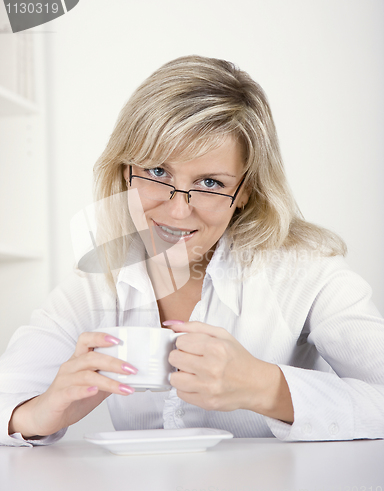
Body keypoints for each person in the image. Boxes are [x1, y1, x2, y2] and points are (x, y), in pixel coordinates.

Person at [1, 55, 383, 447]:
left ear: (245, 192)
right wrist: (39, 412)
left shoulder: (307, 272)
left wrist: (267, 388)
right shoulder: (97, 281)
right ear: (123, 172)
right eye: (157, 172)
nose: (178, 209)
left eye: (211, 183)